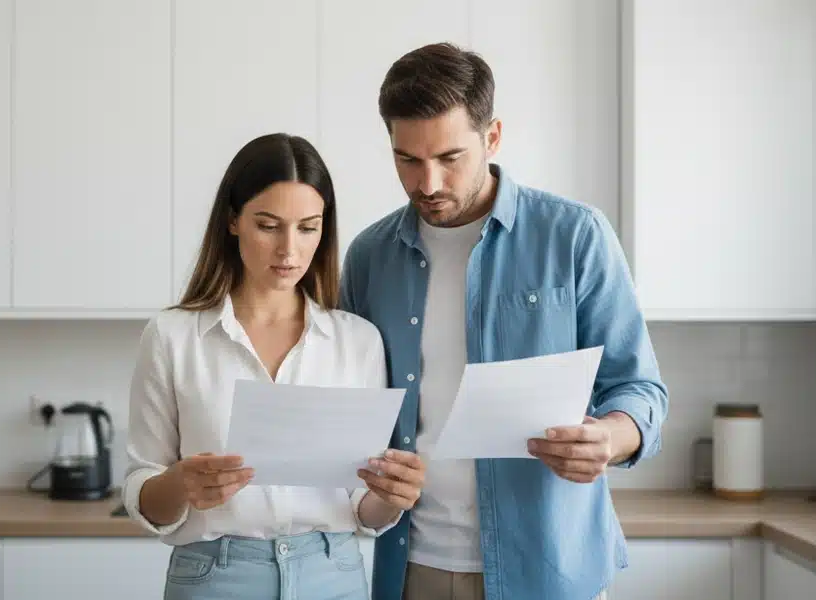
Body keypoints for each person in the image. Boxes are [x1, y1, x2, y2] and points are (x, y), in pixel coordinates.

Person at [338, 43, 670, 600]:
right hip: (410, 564)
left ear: (492, 138)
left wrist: (609, 437)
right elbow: (348, 406)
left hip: (550, 567)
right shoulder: (369, 256)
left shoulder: (574, 236)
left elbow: (640, 388)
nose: (429, 184)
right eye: (408, 160)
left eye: (449, 158)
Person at [122, 132, 428, 600]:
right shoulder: (172, 336)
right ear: (232, 221)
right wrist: (179, 484)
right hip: (215, 576)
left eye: (308, 227)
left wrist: (392, 499)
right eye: (268, 225)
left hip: (333, 574)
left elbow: (362, 509)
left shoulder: (358, 341)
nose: (289, 250)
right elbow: (142, 490)